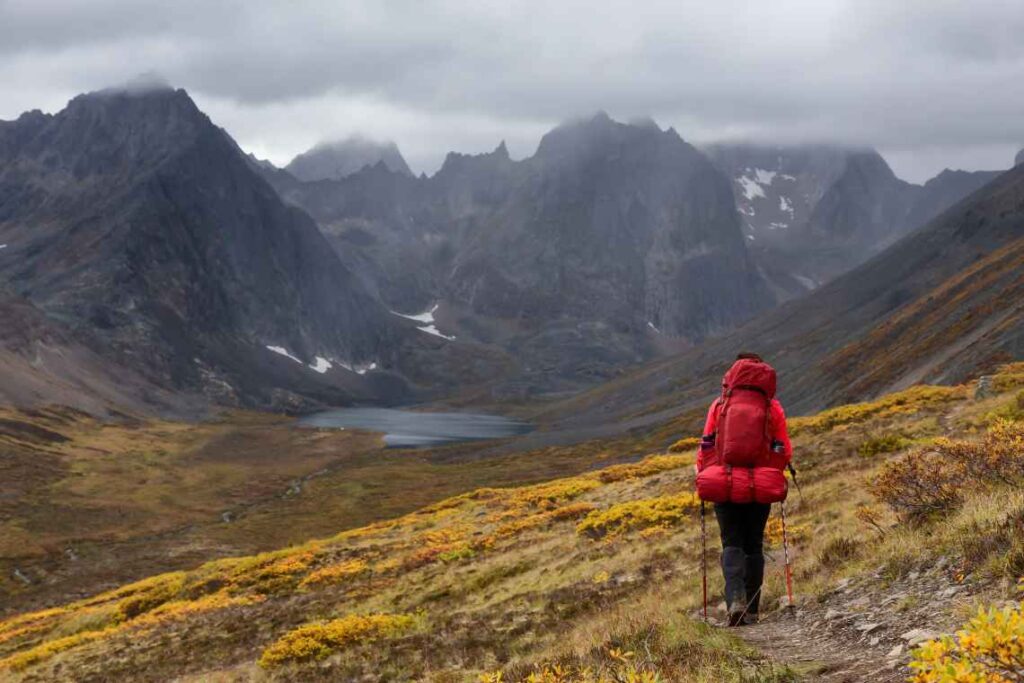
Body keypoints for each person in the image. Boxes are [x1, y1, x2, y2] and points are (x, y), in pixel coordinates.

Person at [696, 352, 792, 626]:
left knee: (731, 542)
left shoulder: (719, 405)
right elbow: (784, 449)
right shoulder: (773, 408)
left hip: (724, 483)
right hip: (759, 486)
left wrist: (703, 472)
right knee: (753, 544)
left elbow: (706, 445)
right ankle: (752, 609)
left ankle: (735, 601)